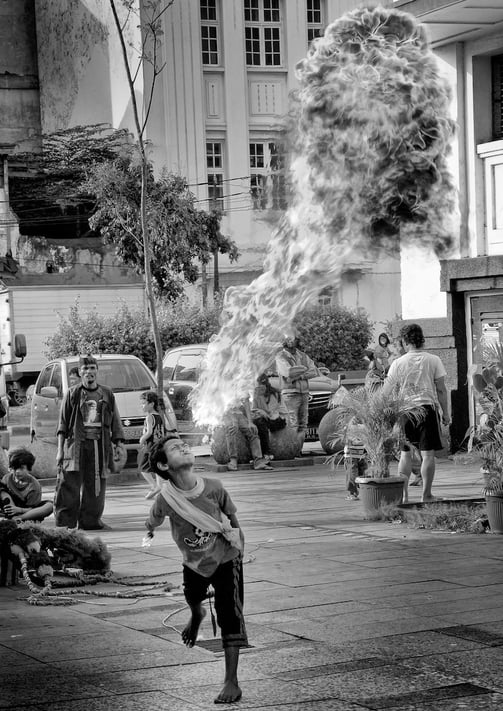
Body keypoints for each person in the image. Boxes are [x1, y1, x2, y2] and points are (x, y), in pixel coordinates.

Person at [144, 434, 247, 705]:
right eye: (175, 449)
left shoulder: (214, 486)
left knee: (230, 616)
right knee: (192, 595)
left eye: (184, 445)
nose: (184, 448)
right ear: (164, 466)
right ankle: (196, 613)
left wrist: (240, 544)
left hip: (226, 558)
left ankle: (231, 680)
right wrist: (150, 529)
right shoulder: (165, 499)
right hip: (194, 563)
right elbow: (152, 519)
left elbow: (233, 519)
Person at [54, 354, 125, 531]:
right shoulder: (72, 394)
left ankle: (90, 521)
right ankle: (65, 523)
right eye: (85, 369)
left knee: (96, 485)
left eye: (92, 368)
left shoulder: (107, 393)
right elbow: (62, 424)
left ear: (97, 371)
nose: (89, 372)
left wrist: (118, 443)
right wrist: (60, 450)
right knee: (69, 483)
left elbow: (115, 419)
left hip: (99, 446)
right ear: (80, 372)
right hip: (75, 445)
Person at [384, 324, 450, 504]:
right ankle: (426, 495)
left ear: (405, 342)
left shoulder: (397, 363)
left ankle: (403, 497)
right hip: (427, 410)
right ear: (422, 339)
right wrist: (446, 414)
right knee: (428, 455)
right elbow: (442, 390)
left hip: (405, 412)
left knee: (405, 455)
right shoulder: (434, 360)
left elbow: (386, 392)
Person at [276, 334, 327, 457]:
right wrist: (304, 370)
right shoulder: (280, 357)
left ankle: (298, 450)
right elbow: (288, 372)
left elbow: (314, 371)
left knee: (303, 424)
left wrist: (300, 375)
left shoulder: (303, 356)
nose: (292, 340)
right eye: (289, 339)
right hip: (290, 393)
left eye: (293, 338)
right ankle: (292, 450)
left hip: (304, 392)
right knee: (293, 423)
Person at [0, 447, 53, 522]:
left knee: (50, 506)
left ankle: (17, 519)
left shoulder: (34, 486)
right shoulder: (7, 478)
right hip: (8, 509)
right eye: (15, 468)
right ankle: (10, 516)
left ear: (29, 469)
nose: (17, 471)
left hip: (26, 513)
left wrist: (19, 510)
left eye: (21, 468)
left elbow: (32, 509)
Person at [223, 398, 273, 471]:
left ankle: (258, 461)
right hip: (226, 414)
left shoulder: (243, 386)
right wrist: (234, 421)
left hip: (239, 414)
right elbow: (223, 402)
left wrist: (250, 422)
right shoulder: (225, 386)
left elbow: (246, 403)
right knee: (231, 429)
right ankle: (233, 459)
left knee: (252, 431)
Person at [251, 374, 288, 461]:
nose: (260, 389)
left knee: (261, 424)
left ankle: (266, 452)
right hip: (264, 419)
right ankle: (260, 453)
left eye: (262, 387)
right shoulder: (256, 394)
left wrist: (266, 414)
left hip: (276, 419)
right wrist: (261, 411)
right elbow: (254, 409)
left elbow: (277, 412)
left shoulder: (275, 394)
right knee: (258, 422)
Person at [138, 390, 166, 499]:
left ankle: (154, 486)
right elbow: (162, 432)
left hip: (149, 446)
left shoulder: (149, 417)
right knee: (156, 468)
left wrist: (142, 439)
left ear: (151, 404)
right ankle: (159, 487)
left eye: (144, 403)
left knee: (142, 468)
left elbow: (149, 432)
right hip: (158, 446)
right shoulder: (159, 416)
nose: (142, 406)